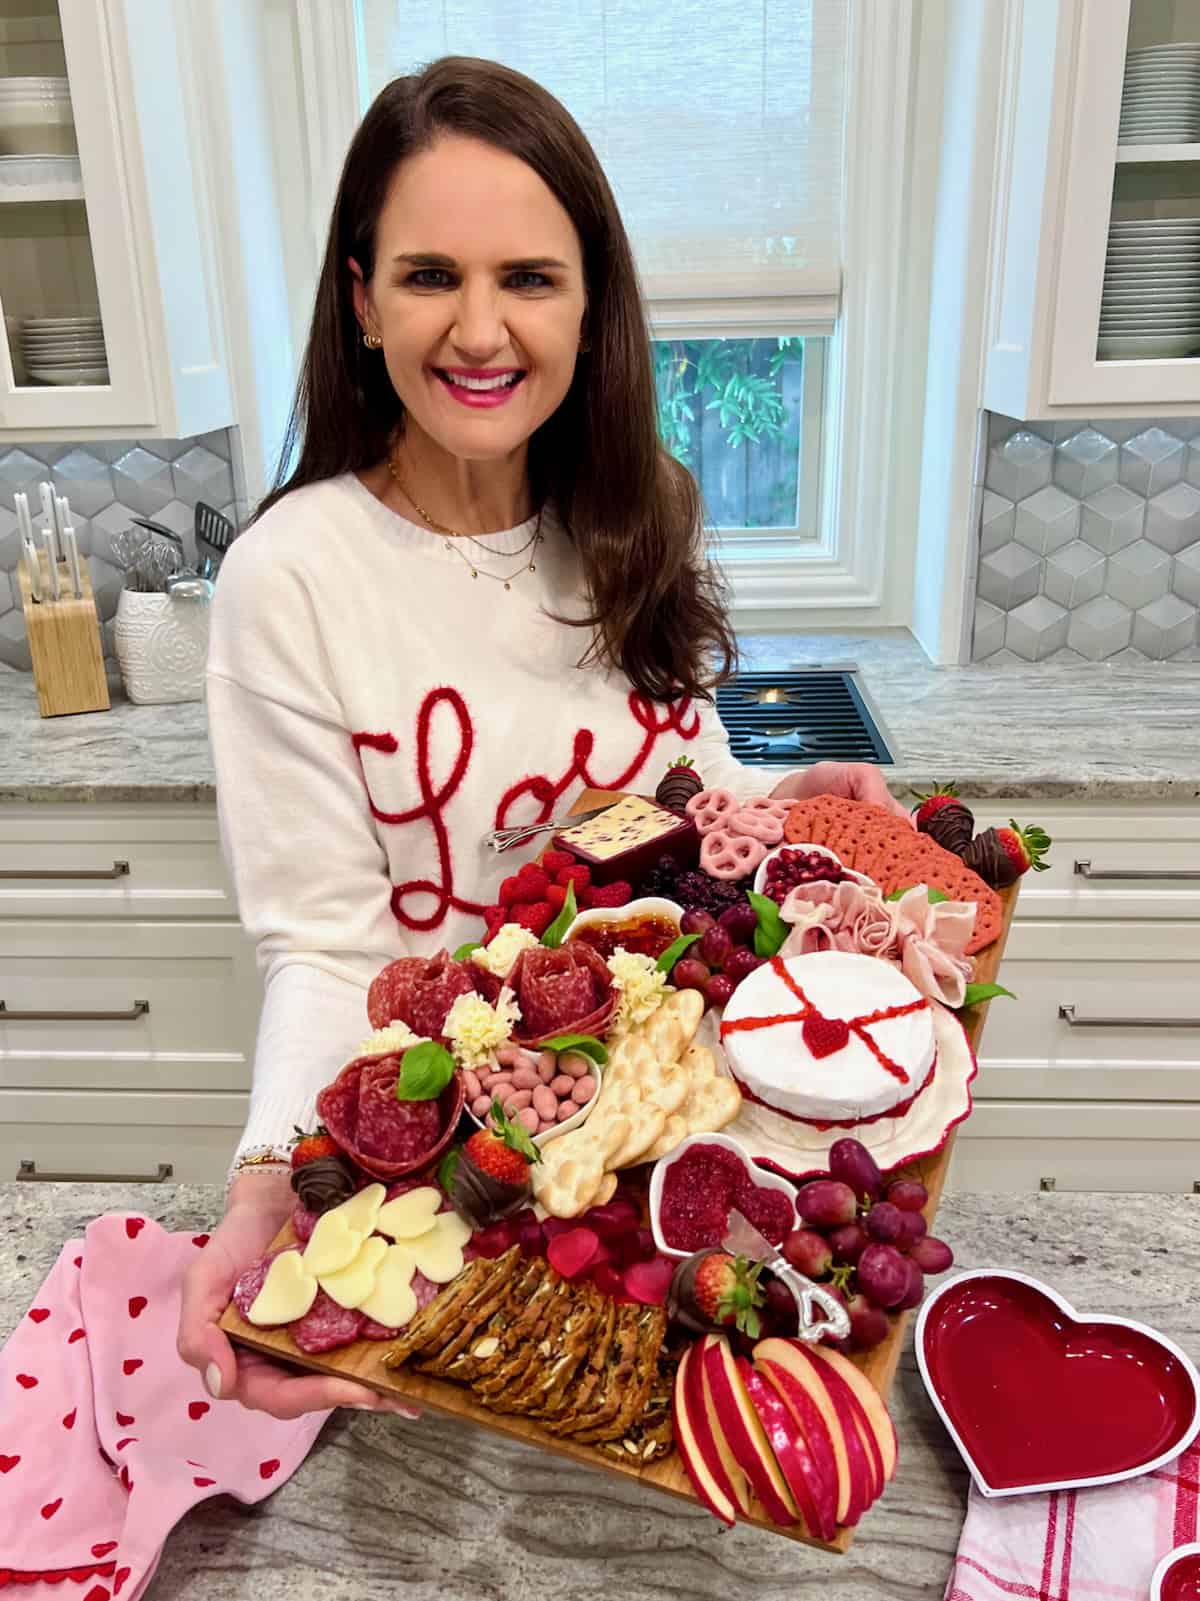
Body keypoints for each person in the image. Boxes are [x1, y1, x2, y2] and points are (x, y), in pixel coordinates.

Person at [177, 56, 910, 1422]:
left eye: (528, 277)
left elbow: (674, 799)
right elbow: (324, 945)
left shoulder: (635, 513)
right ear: (362, 301)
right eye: (429, 276)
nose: (480, 329)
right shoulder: (295, 575)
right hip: (465, 1188)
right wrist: (268, 1180)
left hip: (663, 1150)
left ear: (589, 303)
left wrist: (778, 798)